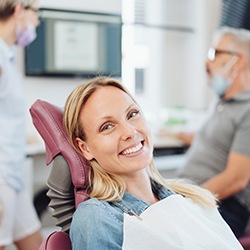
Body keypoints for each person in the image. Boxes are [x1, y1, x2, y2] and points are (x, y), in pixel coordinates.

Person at [63, 76, 243, 249]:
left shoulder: (192, 199)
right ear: (85, 148)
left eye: (132, 114)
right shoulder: (97, 217)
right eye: (107, 126)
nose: (130, 132)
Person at [176, 27, 250, 238]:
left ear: (238, 61)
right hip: (194, 195)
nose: (207, 62)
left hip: (223, 205)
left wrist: (185, 201)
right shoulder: (222, 101)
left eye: (215, 53)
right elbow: (212, 140)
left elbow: (236, 179)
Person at [0, 1, 43, 249]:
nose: (36, 22)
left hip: (12, 175)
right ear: (18, 9)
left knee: (37, 244)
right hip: (1, 176)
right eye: (35, 13)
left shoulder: (8, 56)